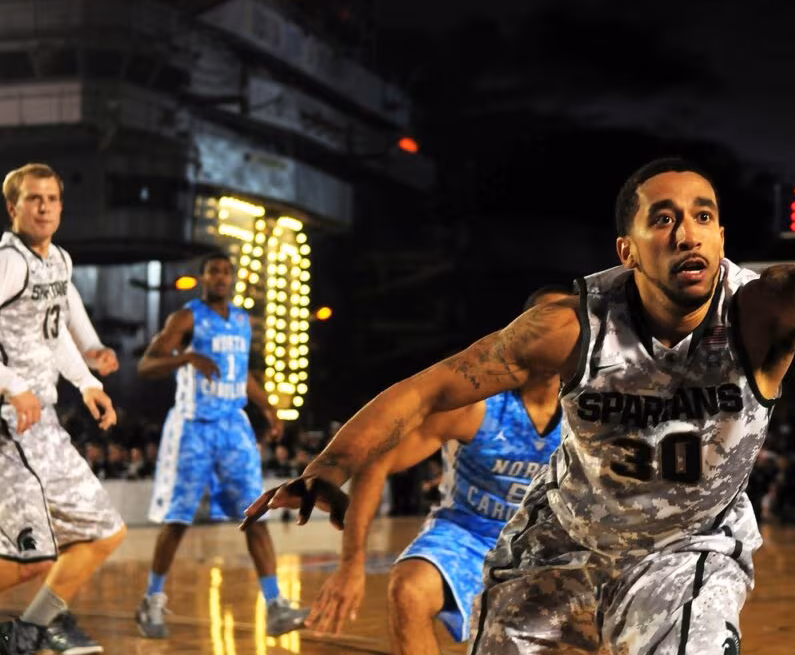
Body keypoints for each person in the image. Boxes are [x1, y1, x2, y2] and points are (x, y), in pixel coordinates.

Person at [244, 157, 795, 653]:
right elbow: (431, 388)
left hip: (685, 549)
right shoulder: (570, 326)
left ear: (722, 239)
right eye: (663, 219)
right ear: (627, 249)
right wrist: (328, 467)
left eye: (704, 216)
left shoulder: (760, 313)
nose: (687, 232)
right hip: (560, 543)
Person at [306, 286, 570, 654]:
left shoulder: (592, 408)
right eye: (543, 321)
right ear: (518, 332)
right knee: (409, 589)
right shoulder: (477, 404)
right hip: (469, 533)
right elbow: (378, 462)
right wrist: (352, 564)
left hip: (551, 545)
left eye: (566, 321)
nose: (554, 330)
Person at [134, 251, 309, 639]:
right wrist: (186, 357)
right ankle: (152, 599)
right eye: (214, 272)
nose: (221, 278)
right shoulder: (186, 318)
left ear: (233, 279)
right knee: (177, 521)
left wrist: (268, 409)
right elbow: (146, 365)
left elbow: (241, 371)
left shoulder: (244, 320)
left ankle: (277, 605)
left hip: (233, 426)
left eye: (227, 272)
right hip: (193, 427)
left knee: (255, 513)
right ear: (202, 278)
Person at [0, 163, 122, 655]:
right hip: (11, 424)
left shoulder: (56, 261)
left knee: (101, 535)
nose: (44, 206)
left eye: (51, 198)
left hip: (40, 422)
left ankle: (29, 631)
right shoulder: (9, 261)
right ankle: (31, 631)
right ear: (14, 208)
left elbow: (55, 335)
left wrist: (87, 381)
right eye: (34, 198)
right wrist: (12, 386)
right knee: (34, 556)